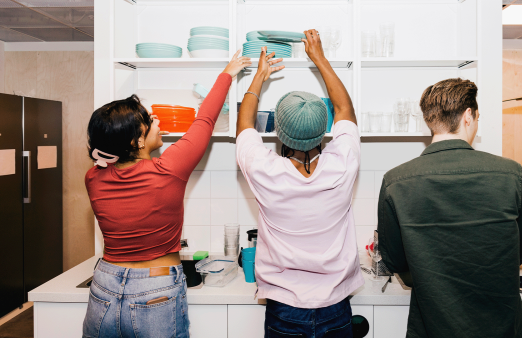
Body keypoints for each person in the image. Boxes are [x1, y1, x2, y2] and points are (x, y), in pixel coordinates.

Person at [82, 51, 250, 338]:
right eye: (149, 119)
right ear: (136, 140)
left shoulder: (93, 178)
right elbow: (205, 120)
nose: (156, 118)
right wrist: (227, 74)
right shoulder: (169, 169)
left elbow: (107, 163)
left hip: (104, 284)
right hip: (155, 288)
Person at [377, 78, 522, 338]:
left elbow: (393, 261)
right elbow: (518, 253)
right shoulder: (511, 174)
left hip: (433, 325)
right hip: (501, 327)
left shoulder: (396, 181)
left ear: (429, 120)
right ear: (468, 116)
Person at [236, 30, 364, 337]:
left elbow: (244, 124)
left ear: (279, 133)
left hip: (283, 309)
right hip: (336, 306)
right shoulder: (343, 163)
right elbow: (345, 109)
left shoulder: (264, 170)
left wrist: (259, 77)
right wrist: (318, 56)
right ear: (325, 131)